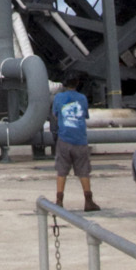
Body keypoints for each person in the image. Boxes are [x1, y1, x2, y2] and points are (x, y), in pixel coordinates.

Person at [51, 81, 99, 211]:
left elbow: (55, 115)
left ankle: (59, 201)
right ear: (77, 84)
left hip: (64, 139)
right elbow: (85, 115)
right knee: (83, 171)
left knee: (61, 170)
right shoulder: (82, 98)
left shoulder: (58, 98)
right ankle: (88, 201)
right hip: (80, 139)